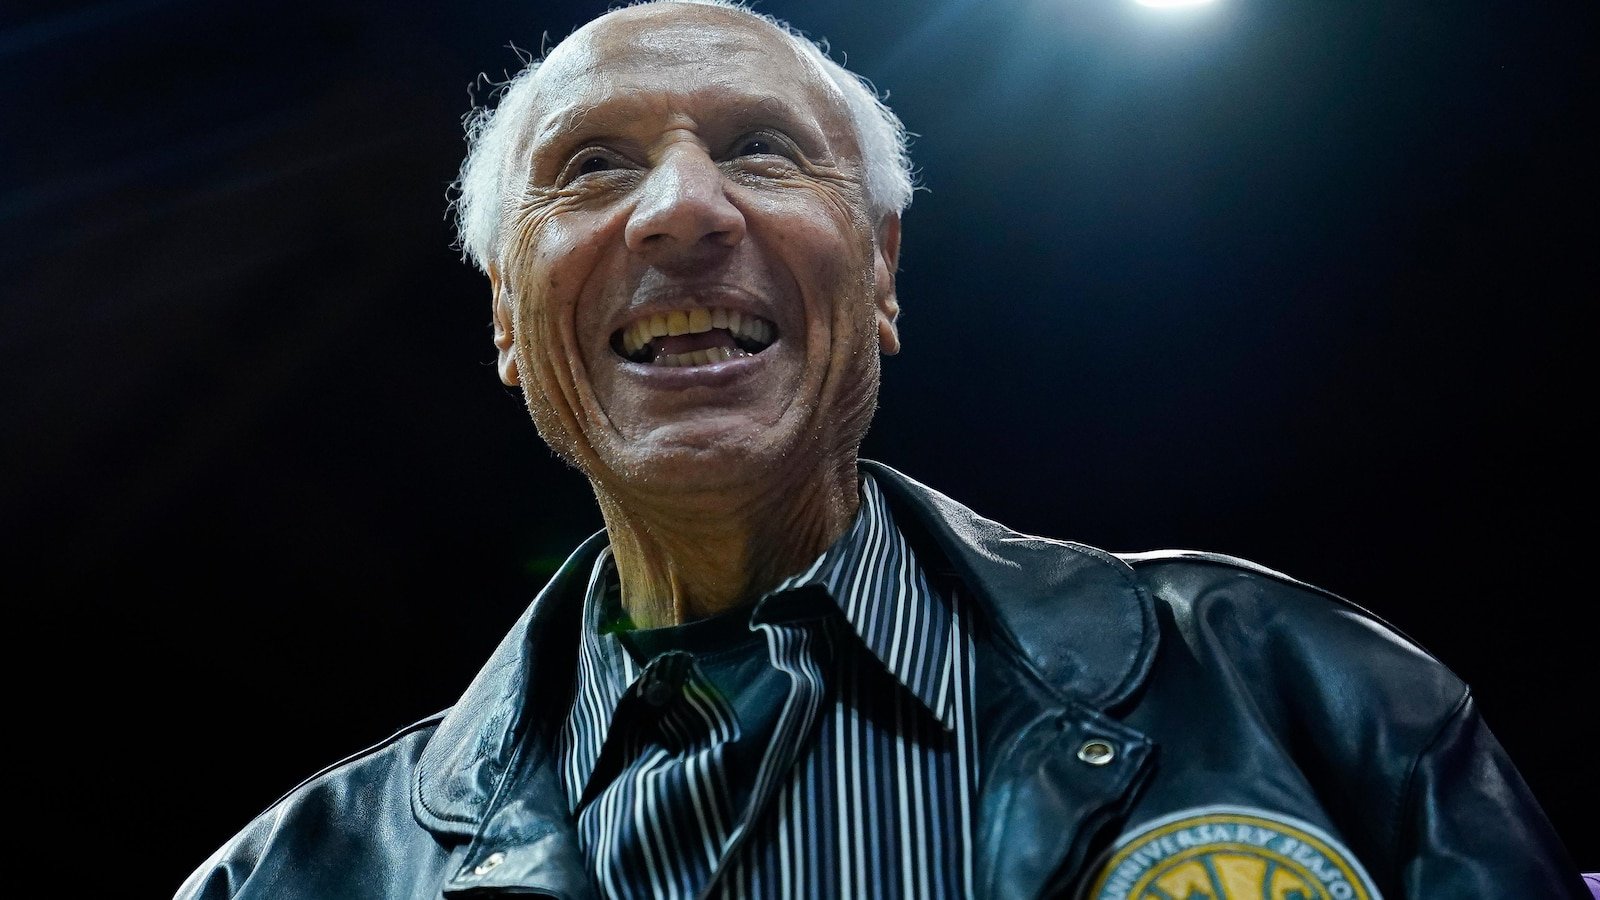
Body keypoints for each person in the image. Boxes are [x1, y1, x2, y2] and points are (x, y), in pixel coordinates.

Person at [174, 1, 1589, 897]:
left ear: (884, 271)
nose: (681, 208)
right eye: (591, 167)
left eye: (762, 149)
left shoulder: (1301, 694)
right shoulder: (289, 879)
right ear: (504, 316)